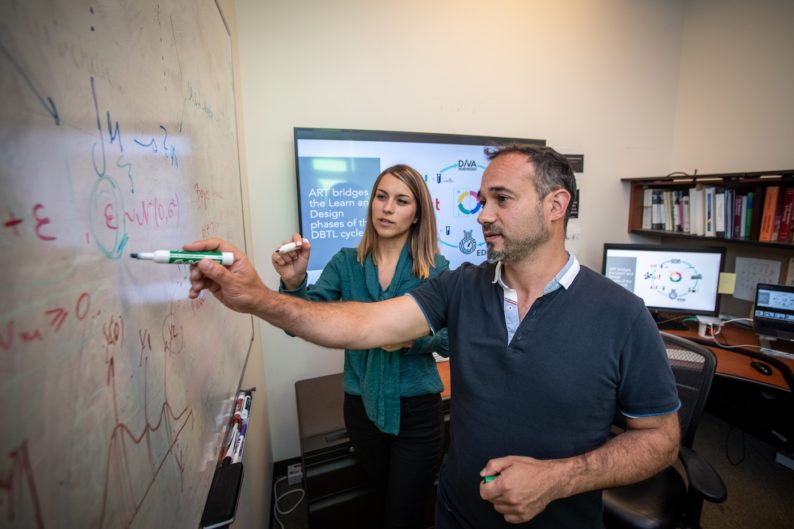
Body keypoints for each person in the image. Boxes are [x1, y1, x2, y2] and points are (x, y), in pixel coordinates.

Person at [186, 144, 681, 529]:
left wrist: (556, 478)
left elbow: (660, 440)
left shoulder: (622, 315)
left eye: (501, 200)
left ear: (556, 205)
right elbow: (359, 323)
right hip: (456, 514)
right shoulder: (460, 286)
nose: (482, 214)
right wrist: (258, 297)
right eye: (482, 200)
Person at [271, 164, 450, 529]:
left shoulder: (436, 270)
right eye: (381, 197)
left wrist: (412, 340)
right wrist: (294, 283)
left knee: (404, 514)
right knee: (382, 498)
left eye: (401, 201)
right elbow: (302, 323)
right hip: (362, 411)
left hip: (417, 414)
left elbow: (454, 336)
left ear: (417, 215)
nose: (387, 208)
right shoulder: (345, 264)